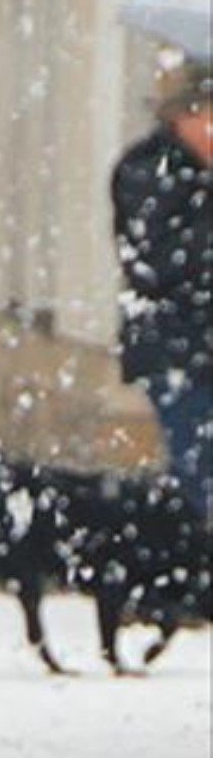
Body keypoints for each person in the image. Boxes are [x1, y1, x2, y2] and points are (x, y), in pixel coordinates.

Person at [111, 65, 213, 525]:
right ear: (184, 117)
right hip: (178, 353)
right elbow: (158, 263)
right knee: (200, 477)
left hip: (199, 348)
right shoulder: (148, 170)